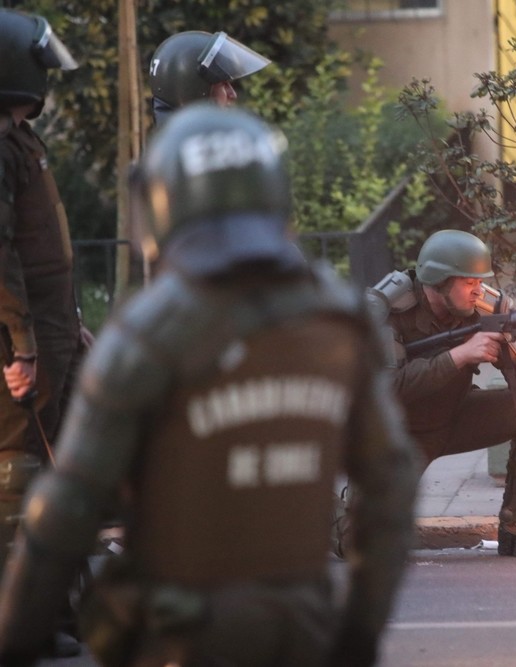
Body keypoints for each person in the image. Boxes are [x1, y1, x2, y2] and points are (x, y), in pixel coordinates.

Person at [0, 104, 420, 666]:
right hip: (301, 630)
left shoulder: (147, 332)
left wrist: (17, 635)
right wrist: (360, 634)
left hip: (179, 635)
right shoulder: (337, 319)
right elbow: (391, 488)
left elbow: (66, 507)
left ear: (163, 203)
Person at [367, 229, 516, 558]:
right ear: (438, 281)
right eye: (468, 282)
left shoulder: (487, 308)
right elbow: (387, 389)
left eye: (480, 281)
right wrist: (459, 355)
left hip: (455, 417)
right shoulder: (387, 311)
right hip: (398, 436)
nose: (478, 290)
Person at [0, 8, 86, 658]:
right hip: (20, 350)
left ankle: (51, 610)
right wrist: (22, 341)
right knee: (19, 476)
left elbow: (43, 251)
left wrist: (67, 324)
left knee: (46, 474)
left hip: (48, 337)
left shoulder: (16, 136)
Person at [148, 30, 271, 126]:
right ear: (193, 90)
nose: (233, 94)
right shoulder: (193, 154)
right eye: (222, 84)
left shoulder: (169, 149)